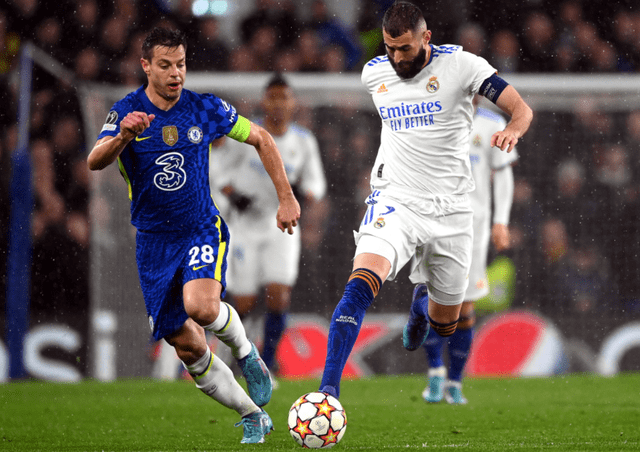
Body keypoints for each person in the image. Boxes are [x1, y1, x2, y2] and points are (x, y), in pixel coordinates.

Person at [87, 27, 300, 444]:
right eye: (165, 65)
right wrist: (124, 136)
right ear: (146, 66)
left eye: (180, 65)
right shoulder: (126, 112)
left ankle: (246, 352)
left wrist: (286, 197)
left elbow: (260, 137)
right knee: (189, 349)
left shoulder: (204, 109)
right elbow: (95, 160)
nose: (175, 74)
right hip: (153, 243)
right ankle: (251, 413)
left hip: (201, 227)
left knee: (201, 308)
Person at [317, 1, 533, 400]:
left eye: (405, 48)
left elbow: (520, 109)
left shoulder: (463, 66)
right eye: (389, 48)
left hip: (452, 209)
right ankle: (327, 392)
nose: (397, 58)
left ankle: (420, 306)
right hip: (395, 199)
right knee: (360, 284)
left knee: (447, 323)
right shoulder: (374, 73)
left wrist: (514, 131)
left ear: (427, 37)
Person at [211, 73, 327, 381]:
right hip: (245, 226)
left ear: (293, 104)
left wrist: (301, 194)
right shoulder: (247, 134)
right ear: (264, 101)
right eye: (272, 97)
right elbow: (218, 168)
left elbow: (317, 184)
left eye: (283, 97)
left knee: (279, 294)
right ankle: (241, 358)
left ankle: (271, 362)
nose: (278, 103)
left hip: (282, 226)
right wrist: (233, 196)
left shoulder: (303, 141)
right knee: (245, 301)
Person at [421, 97, 519, 405]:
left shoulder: (492, 124)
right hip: (434, 221)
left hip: (474, 229)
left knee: (464, 308)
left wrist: (501, 222)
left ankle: (455, 382)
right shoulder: (429, 119)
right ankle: (435, 370)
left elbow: (503, 173)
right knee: (432, 299)